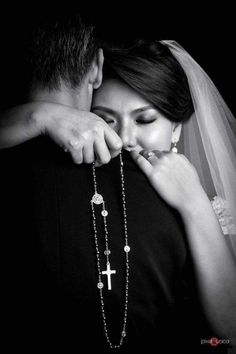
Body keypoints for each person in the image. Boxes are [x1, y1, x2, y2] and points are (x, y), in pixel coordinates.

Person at [1, 17, 236, 352]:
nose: (123, 139)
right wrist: (38, 115)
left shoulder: (204, 200)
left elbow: (228, 332)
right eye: (104, 119)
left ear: (177, 128)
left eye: (144, 120)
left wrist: (196, 203)